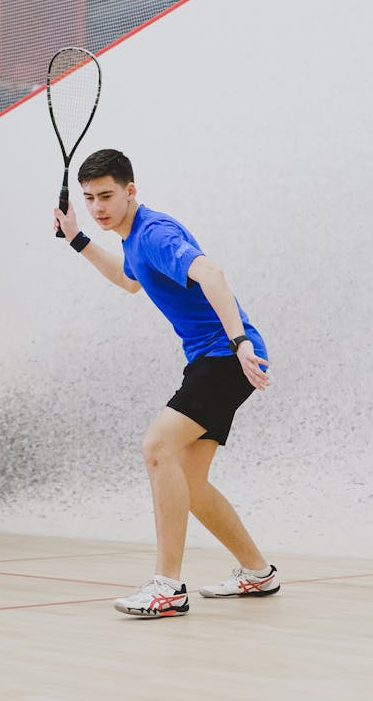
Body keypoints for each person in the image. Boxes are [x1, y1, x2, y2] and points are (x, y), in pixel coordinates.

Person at [53, 148, 280, 619]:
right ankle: (258, 572)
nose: (98, 207)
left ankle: (167, 587)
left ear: (131, 191)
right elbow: (128, 280)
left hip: (225, 357)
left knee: (158, 448)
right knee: (191, 483)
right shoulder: (134, 240)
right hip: (211, 359)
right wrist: (76, 240)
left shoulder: (154, 233)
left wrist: (238, 341)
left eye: (108, 195)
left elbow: (211, 273)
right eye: (90, 198)